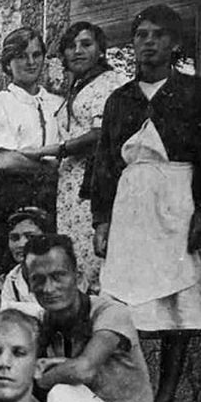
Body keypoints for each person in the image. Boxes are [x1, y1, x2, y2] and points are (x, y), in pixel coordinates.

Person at [92, 4, 201, 402]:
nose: (148, 42)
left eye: (158, 34)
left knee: (177, 306)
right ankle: (130, 398)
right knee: (122, 306)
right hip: (131, 207)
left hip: (178, 202)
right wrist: (101, 221)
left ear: (174, 43)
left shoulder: (196, 92)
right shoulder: (120, 100)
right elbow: (105, 164)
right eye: (141, 35)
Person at [24, 234, 157, 402]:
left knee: (62, 392)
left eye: (58, 276)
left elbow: (83, 370)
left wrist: (40, 375)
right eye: (38, 280)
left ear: (78, 276)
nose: (48, 288)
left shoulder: (110, 312)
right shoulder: (42, 323)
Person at [0, 27, 62, 271]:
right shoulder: (1, 102)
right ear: (8, 63)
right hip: (9, 191)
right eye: (22, 56)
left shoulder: (57, 103)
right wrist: (50, 169)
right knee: (3, 260)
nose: (30, 62)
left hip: (48, 193)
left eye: (36, 54)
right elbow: (5, 160)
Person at [47, 22, 126, 292]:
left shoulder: (110, 83)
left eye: (86, 44)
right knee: (76, 259)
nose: (78, 51)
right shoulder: (78, 87)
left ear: (101, 50)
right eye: (71, 46)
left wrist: (58, 150)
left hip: (95, 179)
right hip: (70, 187)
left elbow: (100, 133)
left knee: (97, 260)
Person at [0, 207, 49, 314]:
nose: (21, 244)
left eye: (30, 237)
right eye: (15, 238)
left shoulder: (59, 271)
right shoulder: (12, 279)